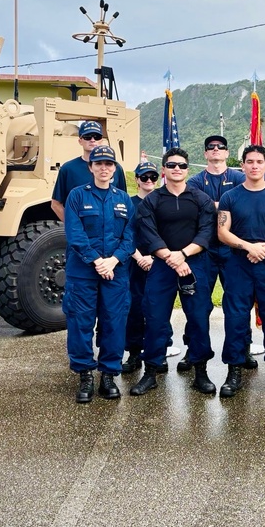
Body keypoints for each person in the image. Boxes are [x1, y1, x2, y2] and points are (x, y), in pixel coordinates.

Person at [130, 148, 216, 396]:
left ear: (188, 169)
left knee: (199, 319)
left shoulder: (201, 199)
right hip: (162, 266)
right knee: (155, 319)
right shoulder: (152, 200)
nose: (176, 169)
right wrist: (171, 258)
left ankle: (201, 371)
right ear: (164, 170)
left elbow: (206, 231)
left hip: (195, 265)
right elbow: (148, 233)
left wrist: (184, 255)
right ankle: (151, 372)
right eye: (171, 165)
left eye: (181, 165)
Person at [217, 144, 265, 397]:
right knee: (236, 319)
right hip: (239, 263)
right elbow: (222, 231)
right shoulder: (230, 197)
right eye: (250, 162)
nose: (255, 166)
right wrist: (249, 246)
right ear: (243, 166)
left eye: (259, 162)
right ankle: (234, 370)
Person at [62, 144, 135, 403]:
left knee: (114, 323)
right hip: (83, 272)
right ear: (90, 167)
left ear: (114, 169)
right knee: (80, 323)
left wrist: (113, 261)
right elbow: (75, 234)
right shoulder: (77, 196)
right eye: (99, 164)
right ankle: (85, 375)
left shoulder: (123, 199)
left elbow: (130, 237)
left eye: (109, 164)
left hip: (116, 272)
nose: (104, 168)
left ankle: (108, 375)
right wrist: (97, 261)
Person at [185, 134, 254, 371]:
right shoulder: (194, 181)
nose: (216, 150)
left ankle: (243, 347)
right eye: (211, 147)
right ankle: (192, 349)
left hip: (233, 249)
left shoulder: (238, 176)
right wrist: (225, 205)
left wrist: (215, 205)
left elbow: (241, 204)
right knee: (199, 303)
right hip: (203, 249)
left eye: (221, 147)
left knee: (237, 302)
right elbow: (194, 208)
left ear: (227, 152)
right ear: (205, 153)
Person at [120, 160, 158, 375]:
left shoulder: (162, 201)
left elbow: (168, 234)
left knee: (156, 309)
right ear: (137, 180)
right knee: (134, 308)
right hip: (133, 261)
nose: (149, 181)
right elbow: (124, 232)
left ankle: (156, 353)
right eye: (144, 177)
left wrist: (153, 256)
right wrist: (138, 256)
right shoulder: (129, 204)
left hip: (159, 261)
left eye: (153, 177)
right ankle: (134, 352)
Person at [51, 120, 127, 222]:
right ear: (80, 141)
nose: (92, 140)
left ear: (101, 140)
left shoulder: (116, 168)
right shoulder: (68, 169)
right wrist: (73, 226)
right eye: (87, 137)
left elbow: (123, 201)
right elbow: (56, 204)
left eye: (96, 137)